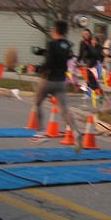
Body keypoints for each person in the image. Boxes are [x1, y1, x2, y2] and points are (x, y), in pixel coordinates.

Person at [31, 20, 81, 148]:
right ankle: (75, 131)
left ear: (55, 31)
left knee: (37, 103)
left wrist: (38, 68)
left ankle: (41, 133)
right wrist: (43, 51)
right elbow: (65, 56)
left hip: (48, 79)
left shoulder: (52, 44)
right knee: (64, 110)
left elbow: (50, 61)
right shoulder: (68, 45)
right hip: (61, 81)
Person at [77, 28, 102, 94]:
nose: (85, 35)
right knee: (88, 77)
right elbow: (81, 52)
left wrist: (100, 59)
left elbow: (98, 50)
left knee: (91, 76)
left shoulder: (92, 41)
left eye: (87, 33)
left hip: (92, 60)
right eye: (84, 34)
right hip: (86, 61)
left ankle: (95, 91)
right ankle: (91, 92)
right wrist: (78, 60)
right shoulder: (82, 42)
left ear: (90, 34)